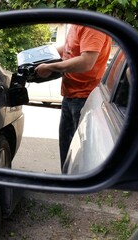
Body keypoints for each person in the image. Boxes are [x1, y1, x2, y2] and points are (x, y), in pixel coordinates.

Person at [35, 24, 112, 171]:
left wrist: (50, 67)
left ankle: (77, 188)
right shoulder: (78, 23)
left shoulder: (92, 26)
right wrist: (37, 55)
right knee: (67, 150)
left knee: (80, 156)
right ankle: (69, 184)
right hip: (70, 95)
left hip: (84, 98)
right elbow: (68, 48)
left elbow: (86, 62)